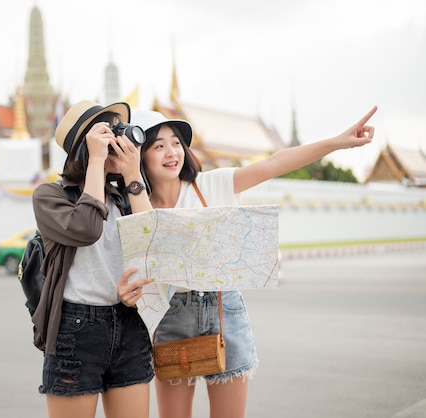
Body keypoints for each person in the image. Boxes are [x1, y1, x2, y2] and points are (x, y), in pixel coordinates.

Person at [117, 106, 377, 418]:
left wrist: (337, 142)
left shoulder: (211, 185)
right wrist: (131, 176)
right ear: (140, 155)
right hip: (170, 318)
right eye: (159, 146)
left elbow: (275, 162)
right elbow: (150, 240)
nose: (172, 152)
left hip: (224, 311)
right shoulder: (132, 204)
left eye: (176, 143)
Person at [32, 100, 154, 418]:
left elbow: (154, 243)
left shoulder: (127, 197)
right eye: (107, 131)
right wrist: (96, 163)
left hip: (129, 325)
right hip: (76, 330)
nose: (117, 139)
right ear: (83, 147)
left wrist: (132, 172)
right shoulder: (50, 196)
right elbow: (87, 229)